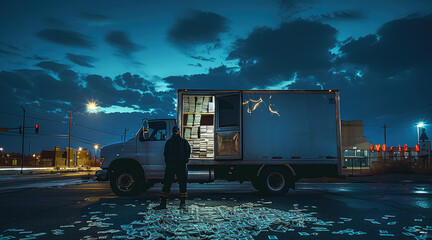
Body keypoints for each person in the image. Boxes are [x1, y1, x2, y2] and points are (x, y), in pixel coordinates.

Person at [154, 126, 191, 210]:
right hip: (178, 165)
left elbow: (166, 154)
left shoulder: (170, 142)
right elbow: (187, 153)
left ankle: (165, 204)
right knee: (180, 184)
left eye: (175, 131)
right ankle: (181, 204)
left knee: (169, 184)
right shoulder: (183, 142)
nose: (175, 132)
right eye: (174, 131)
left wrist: (170, 161)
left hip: (174, 165)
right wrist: (184, 160)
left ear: (177, 131)